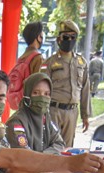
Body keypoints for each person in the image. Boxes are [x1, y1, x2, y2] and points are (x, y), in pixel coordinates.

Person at [40, 20, 92, 148]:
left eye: (72, 37)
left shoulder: (81, 62)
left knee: (68, 148)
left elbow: (85, 90)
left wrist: (85, 115)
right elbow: (40, 88)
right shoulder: (49, 63)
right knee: (52, 146)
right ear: (59, 39)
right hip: (53, 111)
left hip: (72, 112)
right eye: (65, 37)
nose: (69, 40)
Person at [5, 72, 65, 154]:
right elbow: (24, 155)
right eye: (36, 93)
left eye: (46, 94)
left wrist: (44, 155)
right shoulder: (17, 122)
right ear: (27, 94)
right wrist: (48, 156)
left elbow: (59, 143)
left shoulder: (46, 118)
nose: (42, 98)